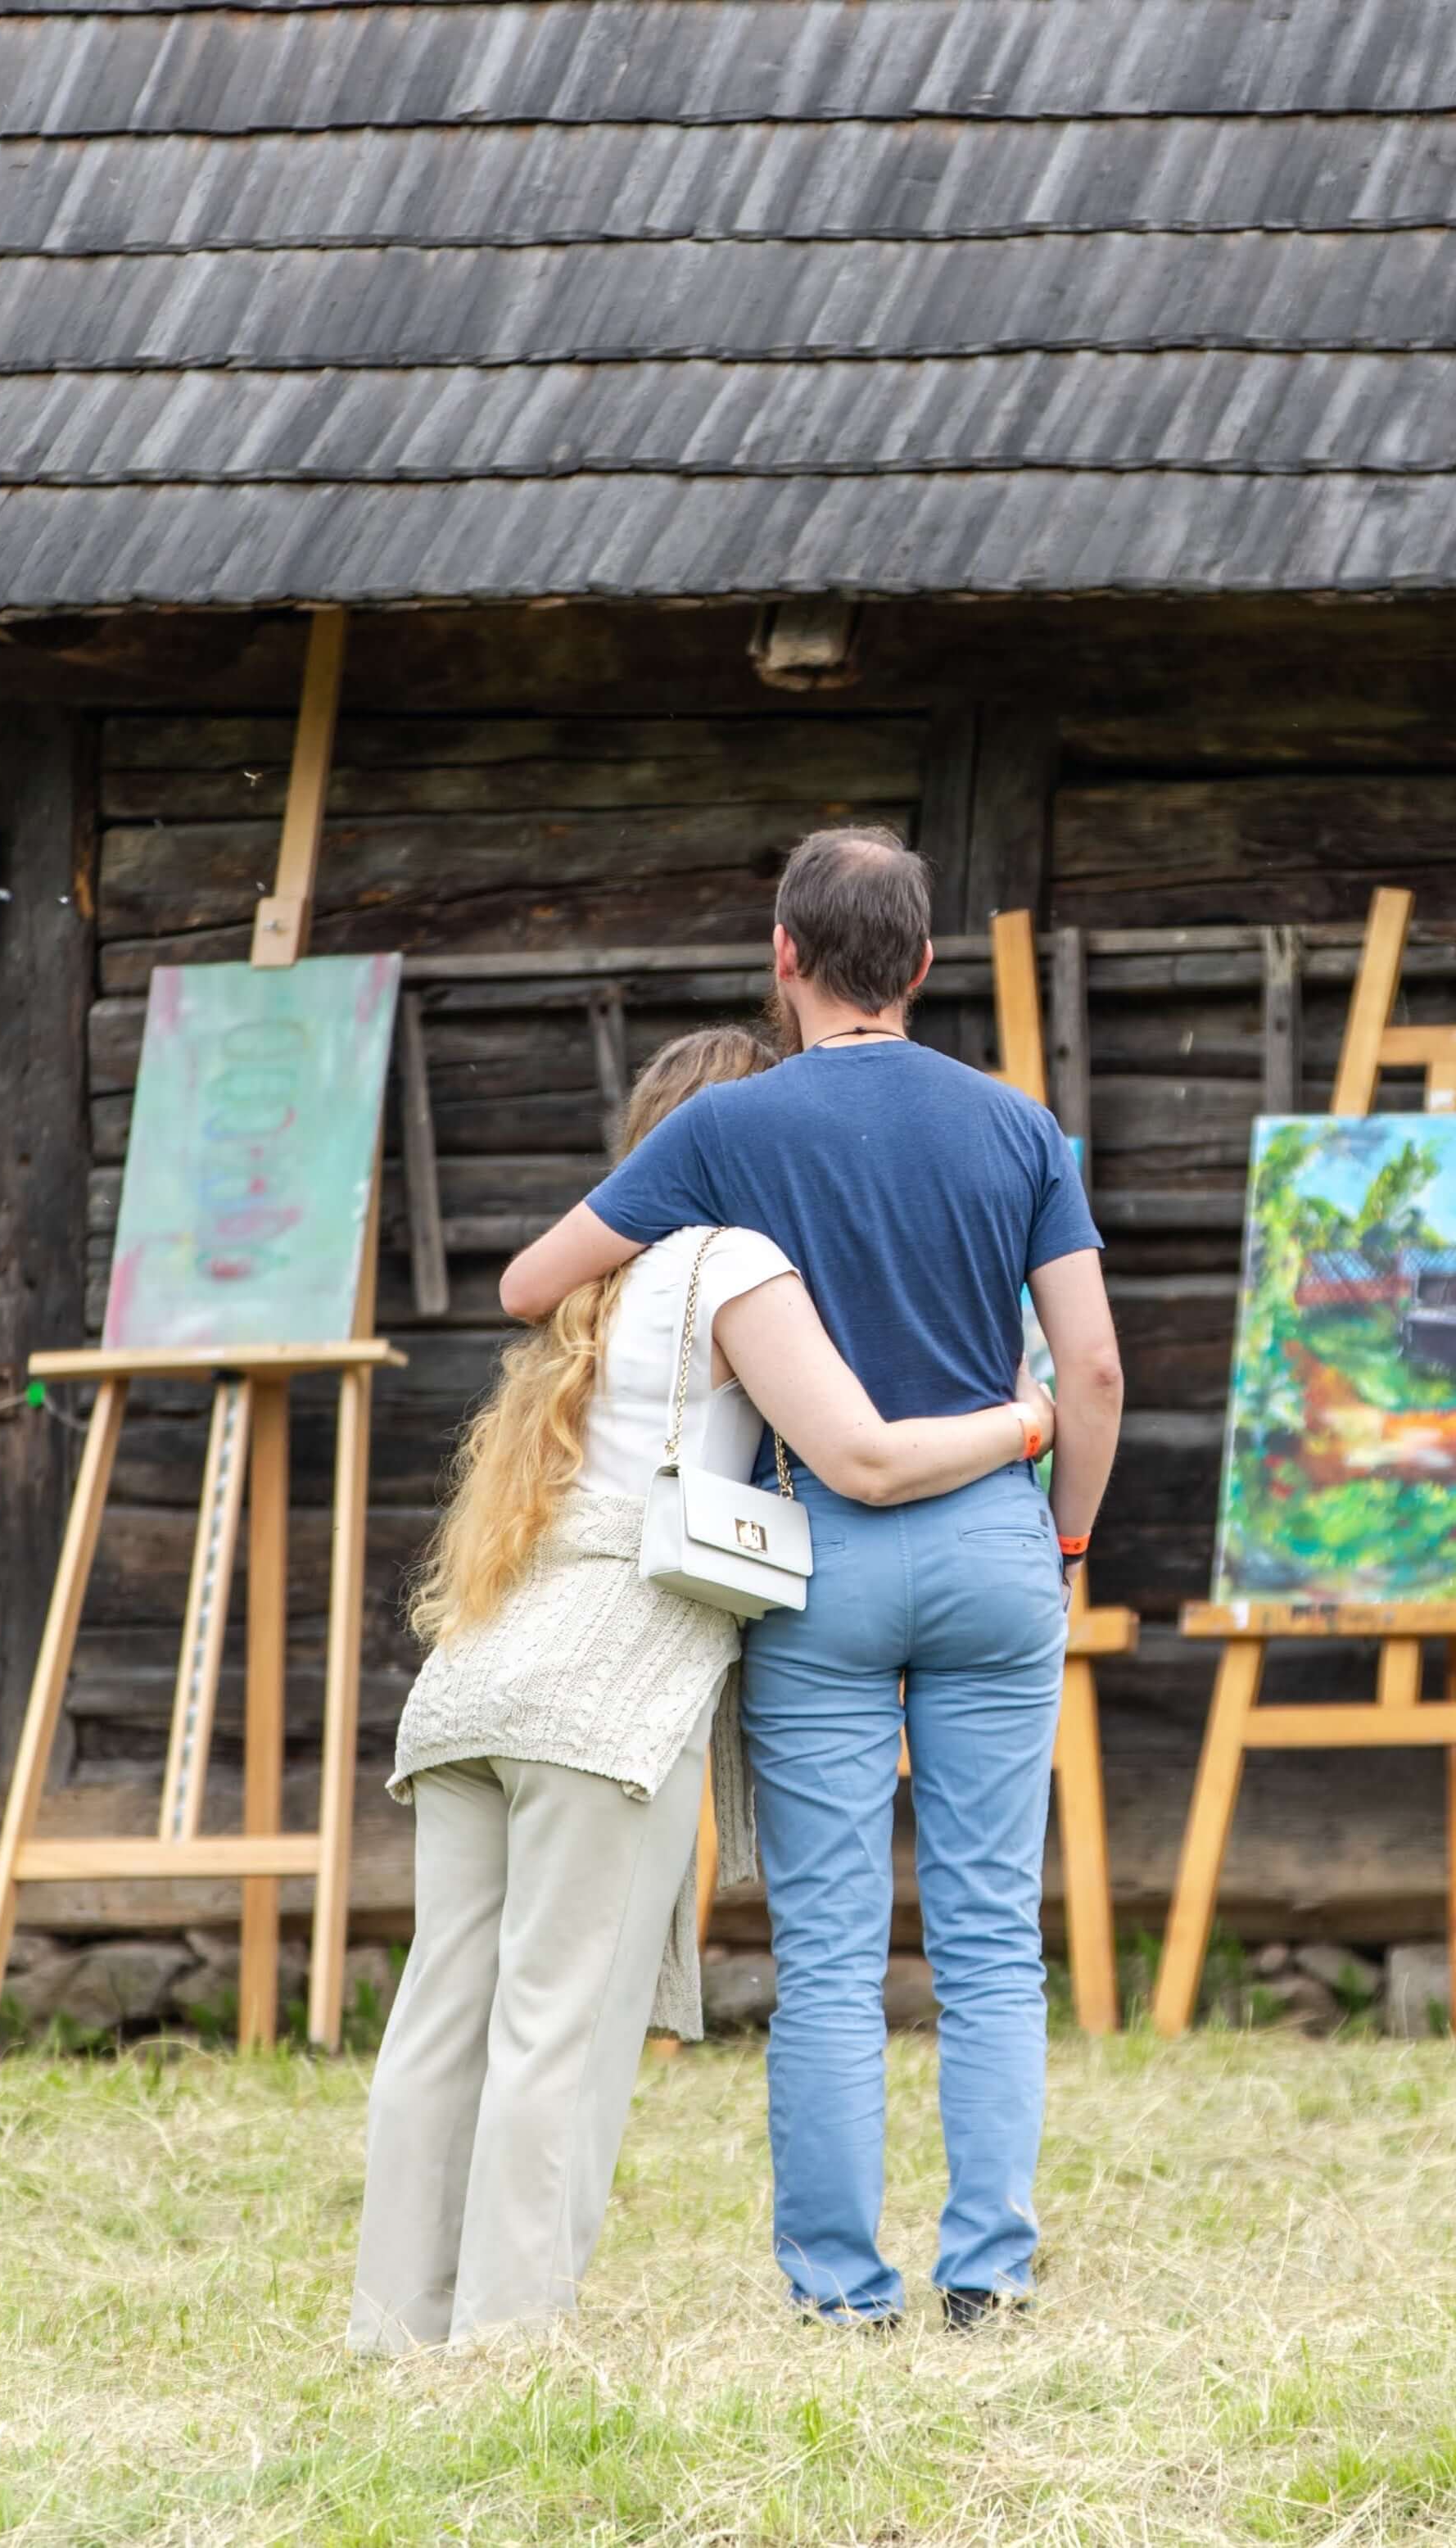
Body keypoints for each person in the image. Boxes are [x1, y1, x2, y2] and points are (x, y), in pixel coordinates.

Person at [350, 1023, 1056, 2355]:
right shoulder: (735, 1264)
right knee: (561, 2020)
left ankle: (395, 2327)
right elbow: (856, 1454)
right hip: (609, 1692)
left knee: (441, 2012)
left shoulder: (595, 1286)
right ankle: (510, 2340)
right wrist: (1027, 1424)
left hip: (477, 1672)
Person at [500, 829, 1124, 2329]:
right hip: (994, 1537)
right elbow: (1092, 1367)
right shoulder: (1018, 1126)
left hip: (815, 1559)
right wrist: (1067, 1539)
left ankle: (842, 2294)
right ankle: (989, 2273)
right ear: (918, 965)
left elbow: (531, 1285)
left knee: (831, 1953)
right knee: (987, 1934)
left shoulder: (727, 1133)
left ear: (784, 959)